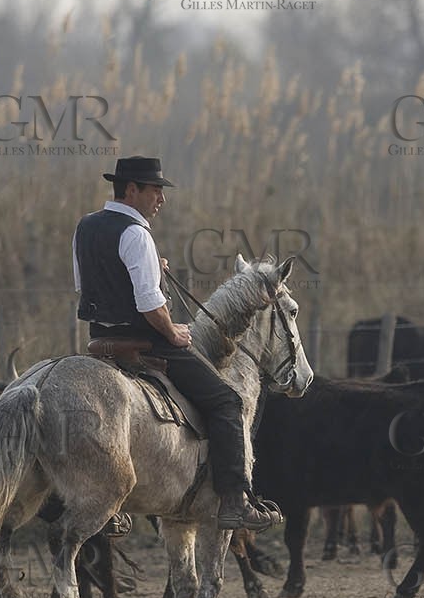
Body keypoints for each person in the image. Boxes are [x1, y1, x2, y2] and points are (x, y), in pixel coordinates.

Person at [72, 156, 280, 532]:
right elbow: (150, 304)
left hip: (100, 341)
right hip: (148, 343)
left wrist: (151, 264)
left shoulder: (85, 227)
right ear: (132, 189)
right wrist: (172, 333)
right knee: (226, 401)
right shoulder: (136, 234)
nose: (161, 200)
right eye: (155, 191)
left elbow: (85, 286)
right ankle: (235, 501)